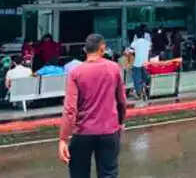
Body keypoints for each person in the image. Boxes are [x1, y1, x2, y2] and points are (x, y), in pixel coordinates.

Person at [59, 34, 126, 178]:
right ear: (103, 48)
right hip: (109, 131)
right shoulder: (114, 68)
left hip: (83, 132)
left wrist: (63, 138)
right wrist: (120, 123)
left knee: (79, 173)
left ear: (85, 50)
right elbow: (121, 101)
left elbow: (70, 109)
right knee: (108, 174)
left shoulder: (75, 73)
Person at [127, 30, 151, 99]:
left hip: (137, 64)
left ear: (136, 36)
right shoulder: (148, 42)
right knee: (145, 79)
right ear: (143, 35)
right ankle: (146, 92)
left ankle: (139, 94)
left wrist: (129, 62)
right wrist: (148, 61)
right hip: (145, 64)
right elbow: (149, 53)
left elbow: (130, 53)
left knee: (137, 79)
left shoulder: (134, 43)